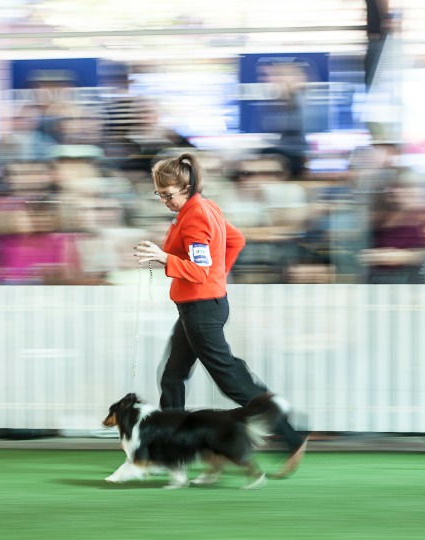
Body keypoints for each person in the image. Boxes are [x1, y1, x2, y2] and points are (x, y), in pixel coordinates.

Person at [131, 152, 308, 479]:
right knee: (172, 376)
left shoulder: (195, 214)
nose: (165, 201)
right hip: (200, 306)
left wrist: (163, 259)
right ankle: (172, 449)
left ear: (186, 187)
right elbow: (235, 240)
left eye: (168, 195)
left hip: (201, 308)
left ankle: (289, 434)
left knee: (229, 379)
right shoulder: (202, 206)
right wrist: (217, 274)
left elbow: (199, 270)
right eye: (160, 195)